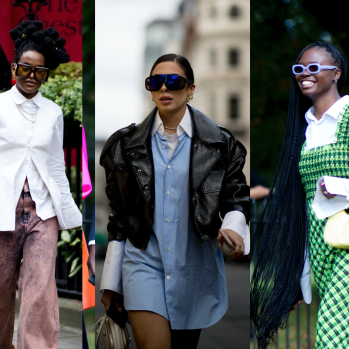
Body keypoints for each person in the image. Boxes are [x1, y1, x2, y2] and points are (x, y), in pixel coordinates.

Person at [98, 53, 250, 349]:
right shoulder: (123, 146)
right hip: (142, 264)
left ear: (190, 89)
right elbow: (119, 218)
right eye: (156, 82)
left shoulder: (222, 145)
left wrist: (232, 226)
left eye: (174, 81)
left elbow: (237, 197)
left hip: (195, 268)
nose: (164, 88)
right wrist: (110, 283)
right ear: (150, 89)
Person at [250, 41, 349, 349]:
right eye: (299, 69)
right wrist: (298, 272)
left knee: (331, 334)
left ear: (336, 74)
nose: (304, 74)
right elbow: (304, 203)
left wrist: (340, 187)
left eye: (314, 68)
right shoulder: (306, 131)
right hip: (321, 247)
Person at [0, 20, 82, 349]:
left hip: (42, 212)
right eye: (26, 68)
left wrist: (70, 215)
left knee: (40, 292)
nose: (32, 76)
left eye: (40, 71)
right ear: (14, 67)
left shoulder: (53, 112)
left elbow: (55, 166)